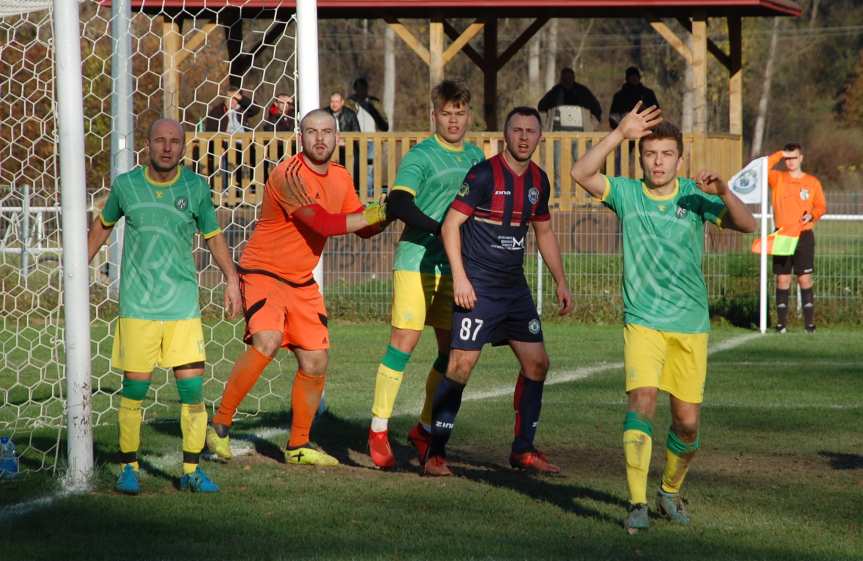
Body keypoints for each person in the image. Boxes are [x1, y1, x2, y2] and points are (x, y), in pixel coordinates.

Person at [570, 103, 756, 533]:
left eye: (666, 154)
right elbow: (581, 173)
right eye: (651, 154)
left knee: (687, 425)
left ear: (679, 158)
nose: (658, 162)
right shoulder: (626, 194)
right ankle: (636, 502)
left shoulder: (696, 196)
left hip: (690, 325)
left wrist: (725, 191)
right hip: (644, 322)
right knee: (642, 403)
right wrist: (619, 133)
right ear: (642, 158)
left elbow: (747, 226)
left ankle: (669, 492)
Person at [205, 109, 390, 466]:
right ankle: (220, 425)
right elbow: (322, 224)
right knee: (268, 340)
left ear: (337, 137)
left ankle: (298, 446)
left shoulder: (340, 177)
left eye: (326, 132)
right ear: (300, 137)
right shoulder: (287, 174)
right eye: (311, 132)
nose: (320, 139)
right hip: (264, 272)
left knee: (316, 360)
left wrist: (392, 211)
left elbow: (363, 226)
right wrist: (378, 213)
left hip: (301, 280)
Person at [86, 118, 243, 495]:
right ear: (148, 144)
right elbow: (103, 225)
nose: (167, 147)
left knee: (192, 392)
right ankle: (129, 468)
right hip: (138, 306)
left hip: (182, 307)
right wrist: (76, 269)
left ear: (183, 146)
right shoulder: (127, 186)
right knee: (134, 392)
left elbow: (213, 236)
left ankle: (191, 469)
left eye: (174, 141)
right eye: (160, 140)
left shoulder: (195, 187)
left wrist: (232, 278)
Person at [424, 107, 574, 477]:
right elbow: (450, 226)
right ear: (505, 135)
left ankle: (523, 450)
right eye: (517, 130)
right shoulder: (482, 175)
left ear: (541, 137)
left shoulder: (539, 180)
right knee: (460, 364)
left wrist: (560, 280)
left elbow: (544, 233)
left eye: (531, 131)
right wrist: (460, 278)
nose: (524, 137)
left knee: (538, 364)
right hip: (478, 287)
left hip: (513, 290)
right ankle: (434, 454)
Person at [366, 80, 485, 470]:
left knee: (453, 352)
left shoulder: (476, 157)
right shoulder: (421, 156)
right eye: (446, 113)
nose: (453, 120)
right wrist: (441, 229)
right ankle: (379, 430)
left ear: (469, 116)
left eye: (460, 113)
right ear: (434, 115)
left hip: (456, 268)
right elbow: (398, 202)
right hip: (416, 260)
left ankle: (423, 428)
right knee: (404, 341)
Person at [767, 144, 827, 333]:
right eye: (787, 158)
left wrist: (812, 215)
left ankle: (809, 325)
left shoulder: (812, 182)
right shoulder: (778, 178)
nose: (790, 162)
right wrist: (779, 154)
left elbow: (820, 206)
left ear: (801, 158)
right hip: (783, 234)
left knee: (804, 279)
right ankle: (781, 324)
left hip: (804, 235)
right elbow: (764, 168)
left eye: (794, 157)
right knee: (783, 279)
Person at [347, 77, 390, 196]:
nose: (361, 91)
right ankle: (354, 195)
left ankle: (368, 196)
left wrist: (371, 108)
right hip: (354, 141)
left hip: (372, 140)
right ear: (355, 89)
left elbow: (384, 124)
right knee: (354, 168)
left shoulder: (374, 102)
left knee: (369, 170)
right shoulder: (349, 103)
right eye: (359, 88)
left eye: (363, 88)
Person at [537, 68, 602, 130]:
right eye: (565, 78)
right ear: (561, 79)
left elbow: (597, 109)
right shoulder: (555, 92)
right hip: (557, 131)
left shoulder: (583, 92)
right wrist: (546, 127)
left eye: (569, 78)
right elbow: (541, 107)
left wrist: (591, 126)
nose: (567, 80)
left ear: (573, 78)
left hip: (582, 132)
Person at [325, 91, 361, 171]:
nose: (334, 104)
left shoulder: (350, 114)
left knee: (355, 161)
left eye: (336, 102)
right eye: (332, 102)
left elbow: (357, 134)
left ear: (342, 102)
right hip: (329, 148)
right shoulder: (324, 113)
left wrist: (345, 142)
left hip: (347, 147)